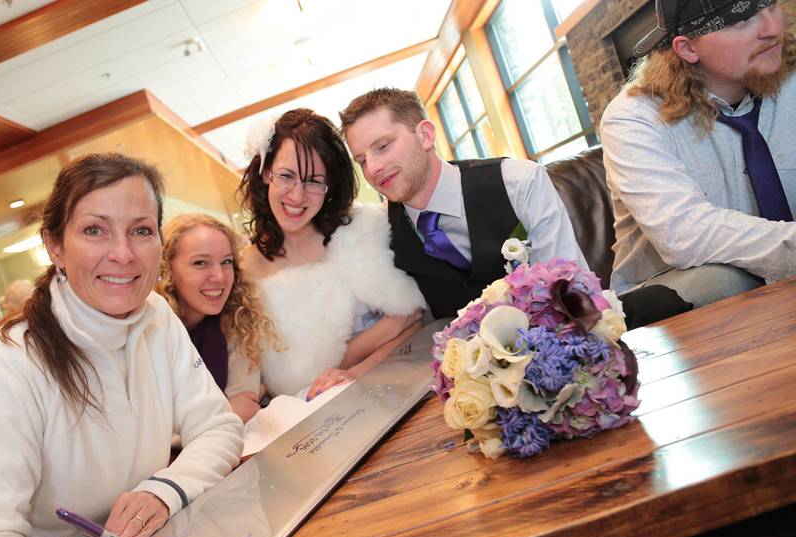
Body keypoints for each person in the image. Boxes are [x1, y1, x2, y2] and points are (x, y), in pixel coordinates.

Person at [0, 153, 243, 537]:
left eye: (141, 231)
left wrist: (163, 491)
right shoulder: (4, 367)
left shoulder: (157, 315)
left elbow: (219, 426)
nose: (123, 254)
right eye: (95, 230)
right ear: (54, 247)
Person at [601, 0, 795, 309]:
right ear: (688, 48)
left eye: (770, 6)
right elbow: (687, 234)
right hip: (676, 302)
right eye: (741, 21)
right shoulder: (633, 118)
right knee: (725, 279)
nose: (772, 29)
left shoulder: (790, 81)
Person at [340, 88, 589, 320]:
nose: (372, 169)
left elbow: (574, 289)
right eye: (361, 160)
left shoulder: (518, 184)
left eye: (383, 146)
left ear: (425, 136)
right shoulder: (382, 231)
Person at [239, 108, 426, 400]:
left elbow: (413, 320)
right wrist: (386, 329)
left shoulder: (363, 230)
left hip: (403, 383)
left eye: (313, 181)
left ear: (330, 186)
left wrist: (354, 371)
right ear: (266, 174)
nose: (297, 196)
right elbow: (291, 379)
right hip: (316, 411)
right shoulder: (245, 268)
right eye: (286, 176)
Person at [155, 213, 279, 423]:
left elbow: (246, 403)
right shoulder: (149, 330)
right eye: (200, 263)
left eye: (226, 261)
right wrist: (226, 414)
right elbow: (153, 431)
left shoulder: (237, 320)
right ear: (167, 269)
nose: (220, 276)